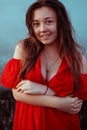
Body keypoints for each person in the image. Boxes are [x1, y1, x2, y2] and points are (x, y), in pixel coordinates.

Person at [1, 0, 87, 130]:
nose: (42, 29)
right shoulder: (24, 49)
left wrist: (42, 90)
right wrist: (57, 101)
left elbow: (74, 105)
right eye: (36, 24)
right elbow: (17, 94)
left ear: (60, 23)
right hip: (27, 124)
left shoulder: (78, 59)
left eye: (48, 22)